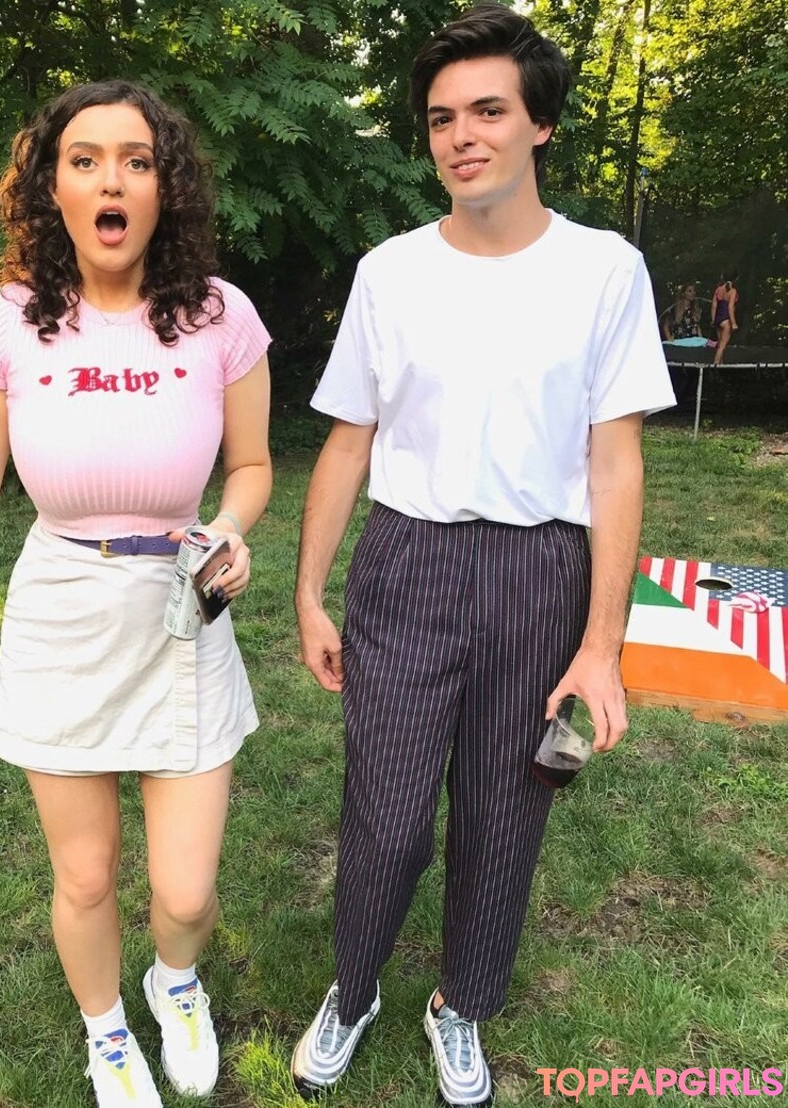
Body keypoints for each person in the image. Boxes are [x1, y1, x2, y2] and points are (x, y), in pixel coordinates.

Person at [289, 5, 675, 1105]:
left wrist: (602, 645)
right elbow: (348, 439)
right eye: (441, 118)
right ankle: (354, 987)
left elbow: (614, 464)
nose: (461, 136)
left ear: (538, 124)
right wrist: (309, 592)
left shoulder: (605, 271)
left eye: (488, 110)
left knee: (508, 812)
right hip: (406, 565)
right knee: (387, 814)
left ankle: (460, 1004)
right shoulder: (390, 272)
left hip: (542, 572)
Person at [0, 79, 272, 1108]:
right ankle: (107, 1034)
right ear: (53, 186)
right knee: (85, 876)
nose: (111, 180)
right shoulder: (6, 323)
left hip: (181, 612)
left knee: (186, 891)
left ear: (165, 187)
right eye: (85, 160)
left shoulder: (221, 315)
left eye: (136, 160)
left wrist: (230, 527)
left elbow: (255, 465)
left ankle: (175, 981)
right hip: (60, 610)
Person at [710, 273, 739, 366]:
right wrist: (733, 323)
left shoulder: (718, 289)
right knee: (722, 346)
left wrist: (713, 319)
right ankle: (715, 365)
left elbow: (714, 306)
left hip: (718, 319)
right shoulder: (733, 291)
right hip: (726, 320)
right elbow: (730, 307)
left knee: (720, 344)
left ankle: (720, 364)